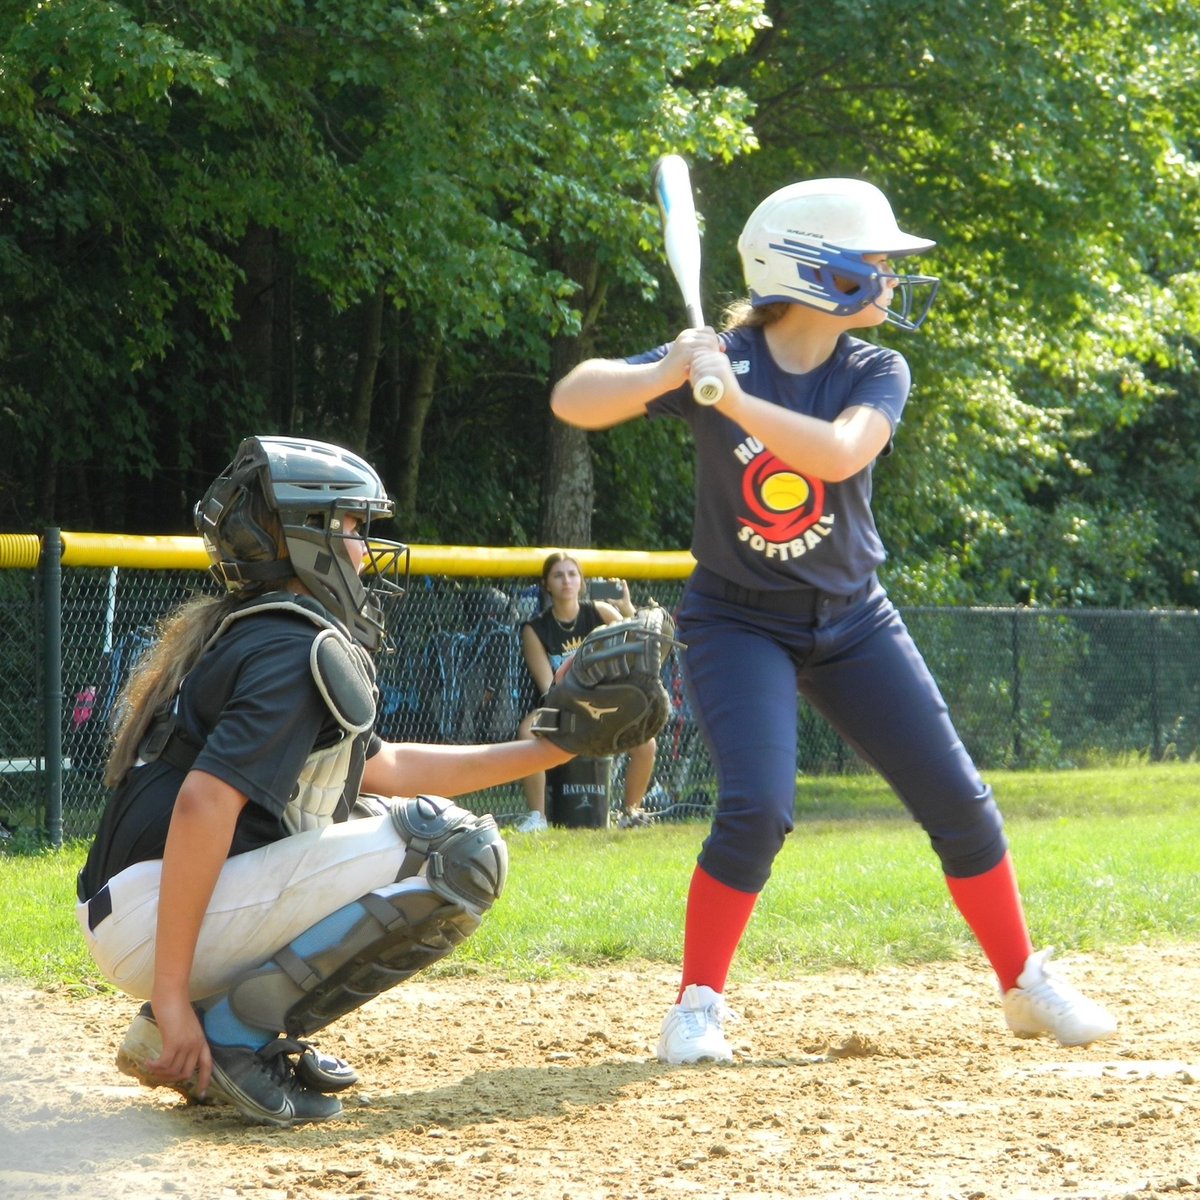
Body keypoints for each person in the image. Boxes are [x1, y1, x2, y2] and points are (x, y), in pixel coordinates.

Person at [550, 178, 1118, 1063]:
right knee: (757, 808)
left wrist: (728, 400)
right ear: (817, 272)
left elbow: (842, 451)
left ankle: (1022, 983)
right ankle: (697, 1004)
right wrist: (670, 369)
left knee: (960, 802)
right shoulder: (725, 355)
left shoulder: (872, 369)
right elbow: (574, 399)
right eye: (876, 261)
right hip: (738, 623)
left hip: (854, 618)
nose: (890, 277)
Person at [75, 434, 581, 1127]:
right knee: (457, 852)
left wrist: (554, 749)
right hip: (157, 915)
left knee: (386, 811)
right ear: (300, 536)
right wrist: (168, 993)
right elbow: (203, 804)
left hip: (143, 907)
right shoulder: (292, 646)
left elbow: (389, 767)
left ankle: (212, 1017)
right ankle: (230, 1035)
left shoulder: (258, 629)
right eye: (348, 525)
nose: (363, 547)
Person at [513, 551, 657, 831]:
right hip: (562, 704)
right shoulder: (536, 629)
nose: (566, 581)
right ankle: (537, 817)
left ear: (582, 581)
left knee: (646, 742)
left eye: (572, 574)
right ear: (546, 585)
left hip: (606, 702)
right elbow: (548, 687)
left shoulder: (601, 612)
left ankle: (630, 812)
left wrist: (626, 608)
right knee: (527, 730)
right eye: (558, 575)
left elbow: (643, 641)